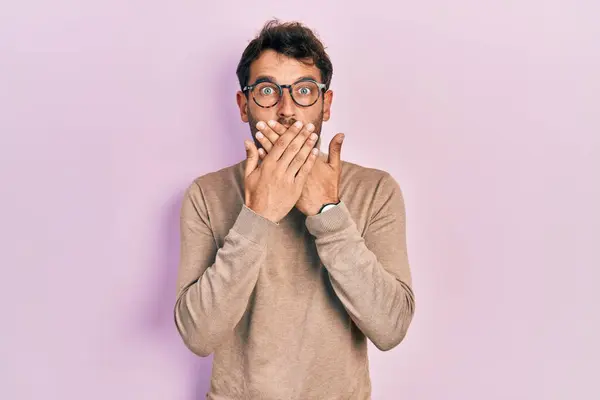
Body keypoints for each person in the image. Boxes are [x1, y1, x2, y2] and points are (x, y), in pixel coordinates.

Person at [174, 19, 415, 399]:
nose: (286, 110)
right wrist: (258, 215)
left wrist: (328, 212)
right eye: (268, 90)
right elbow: (199, 335)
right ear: (243, 104)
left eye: (304, 90)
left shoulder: (375, 190)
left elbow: (391, 328)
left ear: (326, 103)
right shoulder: (207, 193)